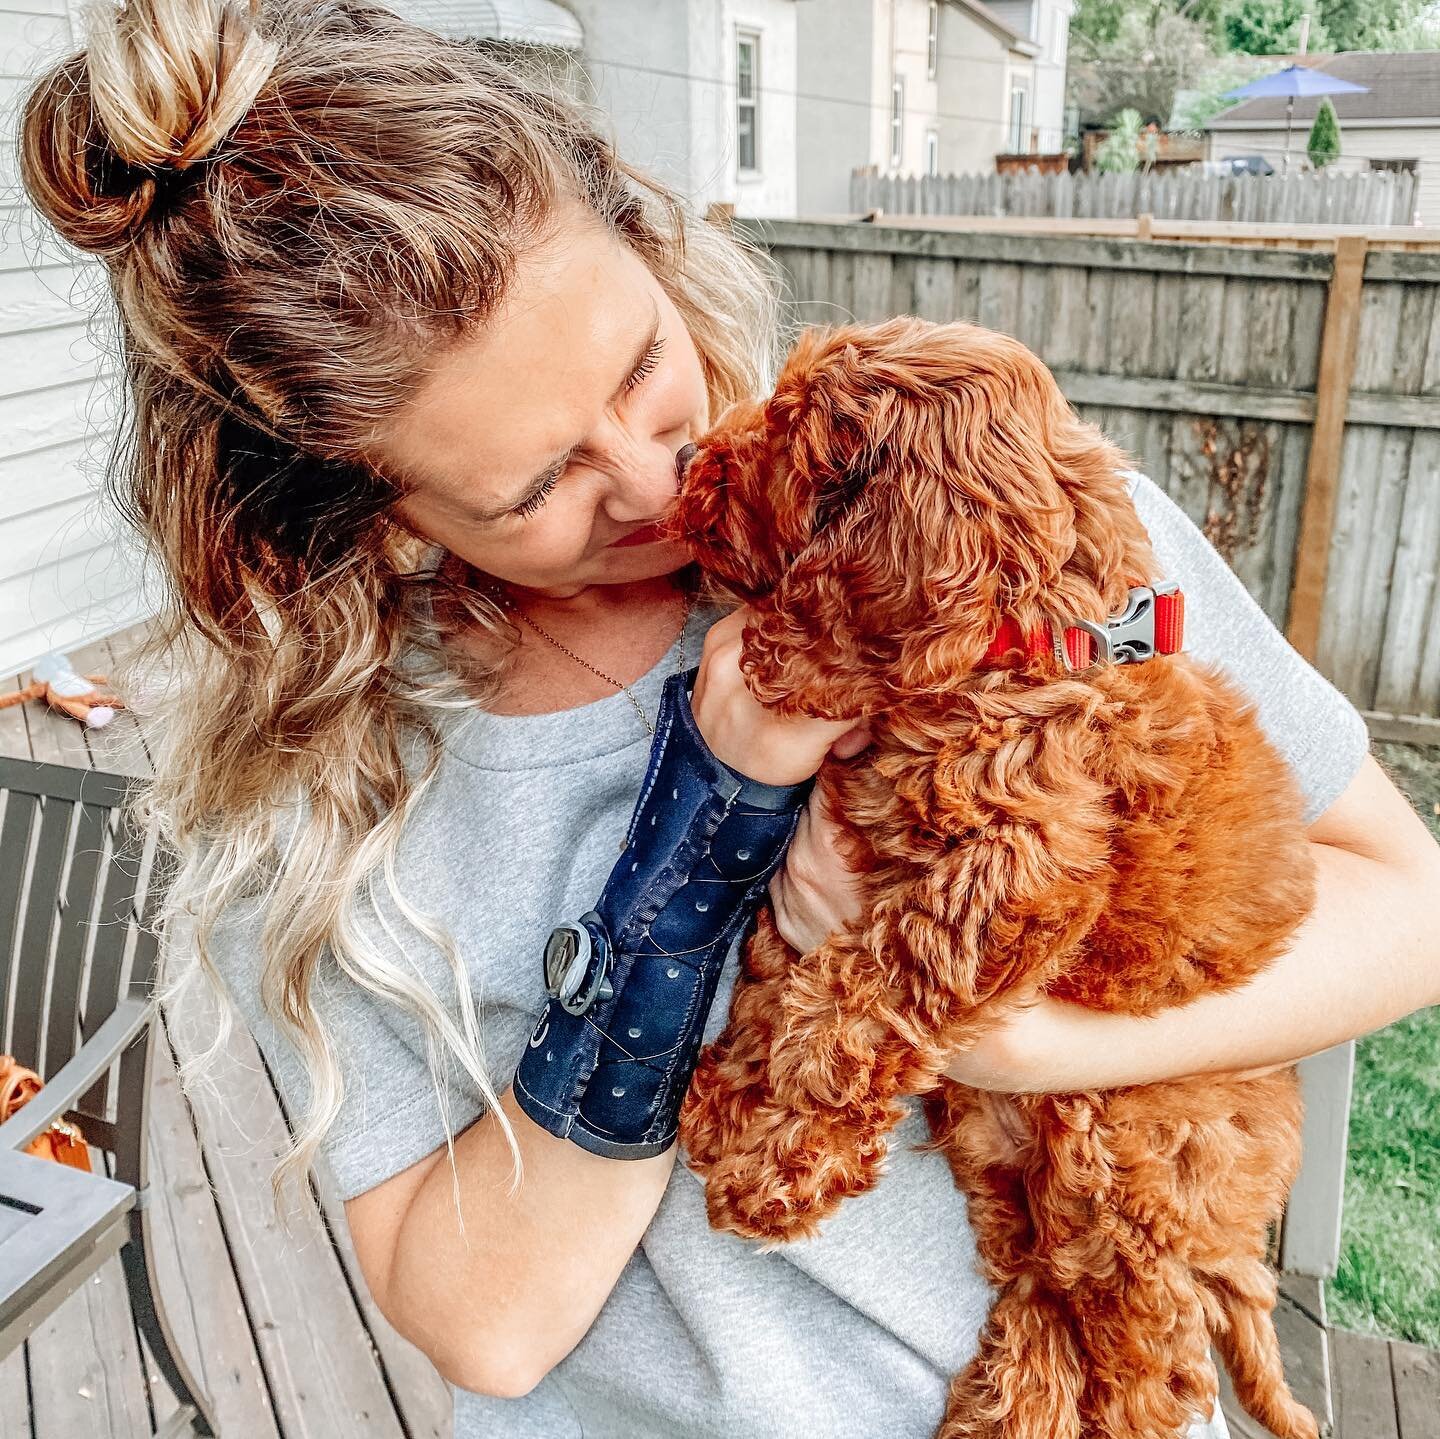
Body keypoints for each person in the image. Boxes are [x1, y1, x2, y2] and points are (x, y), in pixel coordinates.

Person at [19, 1, 1439, 1436]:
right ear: (350, 504)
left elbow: (1411, 905)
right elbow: (483, 1327)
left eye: (640, 367)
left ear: (643, 228)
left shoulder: (1005, 515)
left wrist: (1008, 1038)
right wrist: (704, 825)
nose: (655, 483)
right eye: (535, 487)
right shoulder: (332, 788)